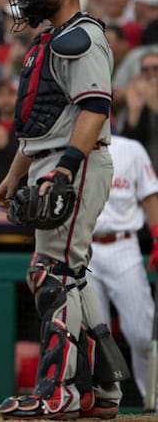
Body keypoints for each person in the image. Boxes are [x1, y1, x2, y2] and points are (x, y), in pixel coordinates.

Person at [0, 0, 123, 420]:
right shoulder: (52, 38)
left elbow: (94, 108)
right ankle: (101, 390)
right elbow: (42, 122)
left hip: (76, 160)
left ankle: (60, 390)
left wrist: (66, 169)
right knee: (69, 275)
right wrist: (13, 176)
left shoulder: (82, 38)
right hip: (53, 156)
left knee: (51, 273)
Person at [87, 135, 158, 407]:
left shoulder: (131, 148)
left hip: (123, 245)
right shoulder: (72, 144)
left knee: (142, 332)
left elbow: (149, 193)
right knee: (95, 334)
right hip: (86, 246)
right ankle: (104, 402)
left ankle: (154, 400)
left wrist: (156, 236)